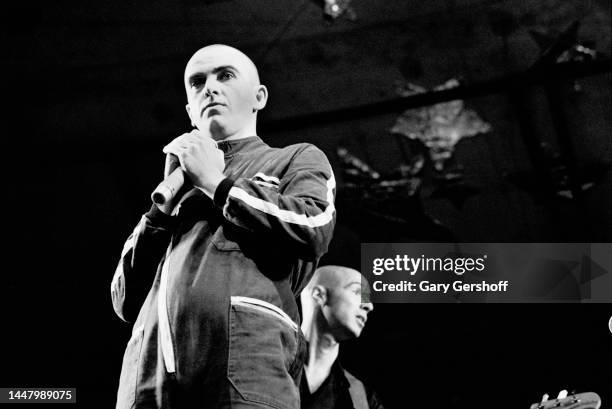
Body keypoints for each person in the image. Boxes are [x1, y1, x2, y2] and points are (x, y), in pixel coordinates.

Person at [111, 44, 336, 409]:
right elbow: (124, 300)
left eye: (225, 76)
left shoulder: (293, 159)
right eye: (197, 83)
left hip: (245, 368)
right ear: (189, 111)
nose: (210, 88)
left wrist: (218, 185)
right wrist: (159, 214)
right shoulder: (174, 192)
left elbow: (313, 226)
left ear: (259, 96)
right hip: (147, 380)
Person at [300, 265, 384, 409]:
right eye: (357, 291)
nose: (369, 306)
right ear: (319, 295)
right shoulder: (264, 366)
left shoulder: (365, 399)